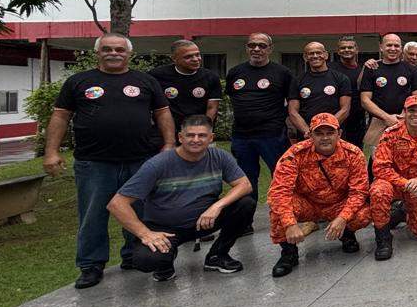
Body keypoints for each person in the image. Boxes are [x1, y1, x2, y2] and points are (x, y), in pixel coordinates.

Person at [45, 34, 175, 289]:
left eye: (119, 49)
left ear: (129, 54)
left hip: (139, 160)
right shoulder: (79, 81)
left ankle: (134, 255)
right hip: (94, 162)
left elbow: (163, 113)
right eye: (107, 49)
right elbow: (61, 117)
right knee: (93, 214)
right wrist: (51, 151)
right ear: (98, 53)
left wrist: (169, 144)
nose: (113, 53)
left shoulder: (145, 81)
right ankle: (91, 265)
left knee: (140, 210)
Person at [106, 115, 255, 280]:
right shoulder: (158, 164)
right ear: (180, 137)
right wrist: (145, 233)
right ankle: (165, 263)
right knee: (147, 261)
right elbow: (117, 204)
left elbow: (245, 185)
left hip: (203, 222)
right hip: (165, 230)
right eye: (190, 135)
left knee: (245, 204)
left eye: (202, 135)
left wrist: (216, 207)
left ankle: (217, 256)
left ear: (211, 138)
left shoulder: (219, 157)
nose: (196, 140)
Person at [267, 113, 371, 277]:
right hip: (308, 204)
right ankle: (289, 252)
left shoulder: (353, 154)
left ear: (339, 134)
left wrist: (343, 218)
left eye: (330, 133)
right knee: (278, 209)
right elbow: (279, 191)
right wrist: (290, 224)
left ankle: (347, 235)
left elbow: (359, 191)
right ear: (310, 135)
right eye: (319, 133)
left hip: (337, 204)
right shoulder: (295, 154)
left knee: (364, 213)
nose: (325, 138)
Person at [369, 95, 417, 259]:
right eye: (411, 110)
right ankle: (383, 239)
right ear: (404, 113)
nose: (415, 114)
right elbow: (380, 167)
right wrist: (406, 183)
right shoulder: (391, 134)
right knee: (378, 191)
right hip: (394, 183)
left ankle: (401, 211)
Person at [224, 33, 292, 198]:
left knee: (282, 177)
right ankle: (246, 222)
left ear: (270, 49)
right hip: (242, 136)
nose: (256, 49)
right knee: (246, 180)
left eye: (262, 45)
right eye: (252, 45)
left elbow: (292, 103)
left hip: (273, 135)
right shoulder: (235, 72)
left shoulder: (282, 73)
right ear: (247, 48)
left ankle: (284, 220)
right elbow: (234, 98)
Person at [359, 33, 417, 152]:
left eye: (396, 46)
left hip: (404, 121)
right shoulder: (372, 68)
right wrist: (386, 117)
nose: (393, 49)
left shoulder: (412, 69)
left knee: (405, 160)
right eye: (389, 45)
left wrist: (402, 116)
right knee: (375, 161)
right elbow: (365, 100)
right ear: (381, 47)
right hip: (378, 121)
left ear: (401, 48)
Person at [148, 40, 221, 135]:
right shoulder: (156, 76)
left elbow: (212, 108)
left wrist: (204, 131)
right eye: (188, 57)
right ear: (174, 58)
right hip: (166, 133)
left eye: (197, 55)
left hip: (198, 131)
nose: (195, 59)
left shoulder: (211, 77)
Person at [288, 41, 352, 138]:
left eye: (318, 52)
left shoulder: (341, 78)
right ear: (305, 57)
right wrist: (308, 132)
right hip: (307, 135)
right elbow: (293, 112)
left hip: (333, 134)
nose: (315, 56)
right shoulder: (297, 81)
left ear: (326, 55)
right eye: (311, 53)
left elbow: (345, 110)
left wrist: (326, 130)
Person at [329, 35, 367, 148]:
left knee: (354, 153)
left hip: (357, 121)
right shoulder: (330, 69)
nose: (346, 50)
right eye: (343, 48)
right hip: (337, 119)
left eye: (350, 47)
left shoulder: (363, 70)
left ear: (356, 50)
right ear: (338, 51)